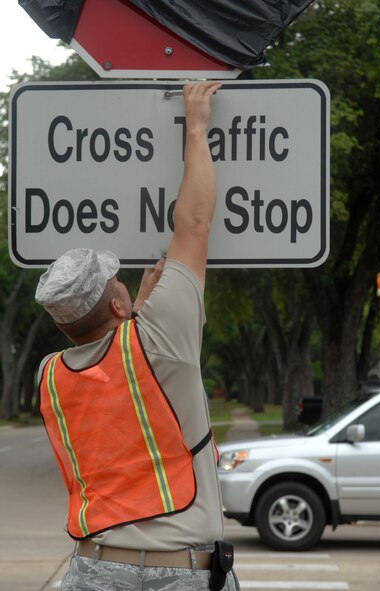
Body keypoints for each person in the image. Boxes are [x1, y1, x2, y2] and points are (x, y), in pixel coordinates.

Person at [35, 81, 240, 591]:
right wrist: (196, 126)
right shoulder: (158, 335)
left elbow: (117, 380)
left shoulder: (50, 377)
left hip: (91, 570)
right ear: (117, 303)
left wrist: (140, 311)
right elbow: (193, 223)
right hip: (180, 572)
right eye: (117, 281)